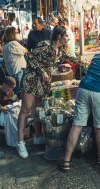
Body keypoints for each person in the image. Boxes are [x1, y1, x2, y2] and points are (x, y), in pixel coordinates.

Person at [60, 39, 100, 170]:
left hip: (83, 89)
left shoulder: (96, 56)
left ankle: (66, 160)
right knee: (99, 127)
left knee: (76, 125)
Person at [16, 26, 78, 158]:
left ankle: (38, 136)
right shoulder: (45, 44)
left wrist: (82, 61)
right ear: (59, 37)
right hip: (32, 79)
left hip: (43, 82)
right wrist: (42, 71)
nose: (68, 38)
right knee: (25, 110)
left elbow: (68, 57)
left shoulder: (59, 50)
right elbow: (30, 57)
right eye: (66, 36)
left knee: (39, 110)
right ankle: (20, 142)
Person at [2, 26, 27, 96]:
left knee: (14, 88)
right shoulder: (13, 43)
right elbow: (25, 51)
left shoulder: (5, 45)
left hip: (11, 69)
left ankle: (14, 102)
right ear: (12, 34)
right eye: (16, 32)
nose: (17, 34)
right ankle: (18, 103)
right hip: (17, 69)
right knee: (18, 89)